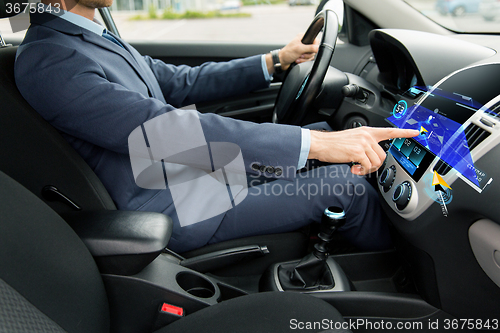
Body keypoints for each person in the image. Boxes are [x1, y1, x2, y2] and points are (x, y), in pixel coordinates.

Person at [14, 0, 419, 253]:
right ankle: (402, 281)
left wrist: (278, 60)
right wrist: (315, 145)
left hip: (189, 176)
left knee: (318, 135)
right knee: (344, 186)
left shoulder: (88, 38)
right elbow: (160, 129)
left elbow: (178, 83)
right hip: (173, 202)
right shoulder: (51, 59)